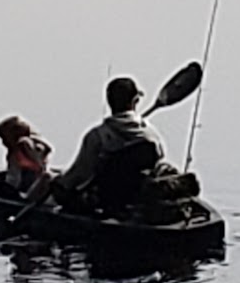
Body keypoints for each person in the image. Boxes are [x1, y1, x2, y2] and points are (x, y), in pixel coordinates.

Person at [58, 76, 168, 214]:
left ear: (109, 102)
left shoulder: (97, 136)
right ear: (136, 101)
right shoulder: (151, 136)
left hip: (102, 203)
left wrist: (59, 184)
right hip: (136, 203)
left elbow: (79, 174)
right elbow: (159, 167)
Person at [0, 114, 51, 193]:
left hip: (21, 189)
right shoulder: (37, 144)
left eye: (3, 138)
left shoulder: (20, 149)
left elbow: (14, 180)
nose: (2, 142)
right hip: (37, 185)